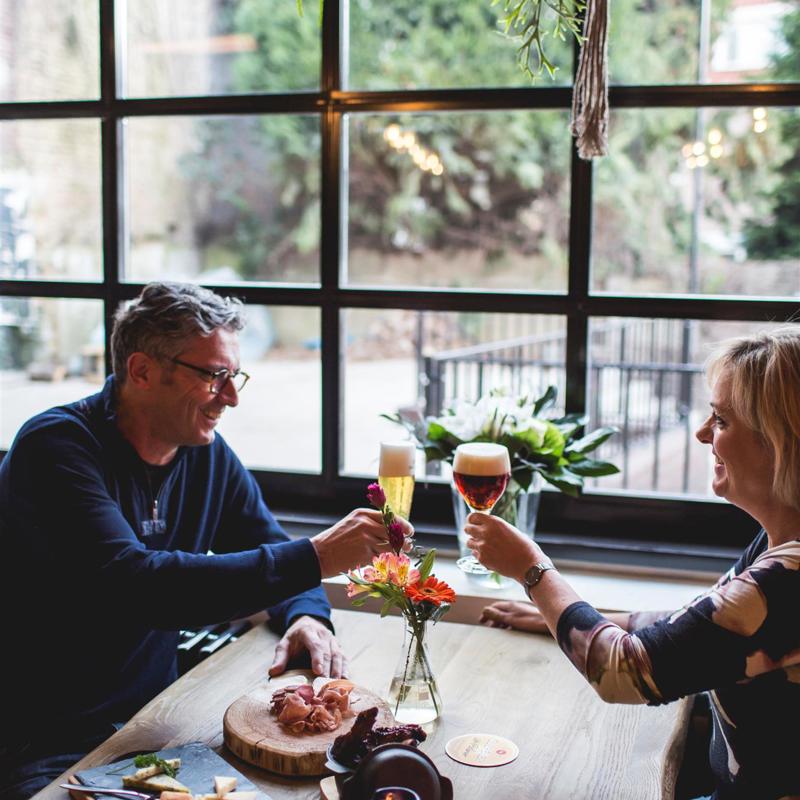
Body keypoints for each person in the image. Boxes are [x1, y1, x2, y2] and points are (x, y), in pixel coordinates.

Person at [0, 282, 405, 800]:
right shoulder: (55, 448)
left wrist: (306, 614)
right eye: (215, 377)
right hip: (42, 743)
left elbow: (266, 540)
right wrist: (318, 556)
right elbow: (138, 586)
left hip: (156, 720)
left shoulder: (204, 453)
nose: (232, 397)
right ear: (143, 371)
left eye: (234, 376)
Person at [467, 327, 800, 800]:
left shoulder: (788, 580)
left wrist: (532, 570)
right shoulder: (778, 545)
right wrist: (568, 619)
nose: (703, 433)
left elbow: (623, 673)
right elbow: (701, 623)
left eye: (722, 421)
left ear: (780, 443)